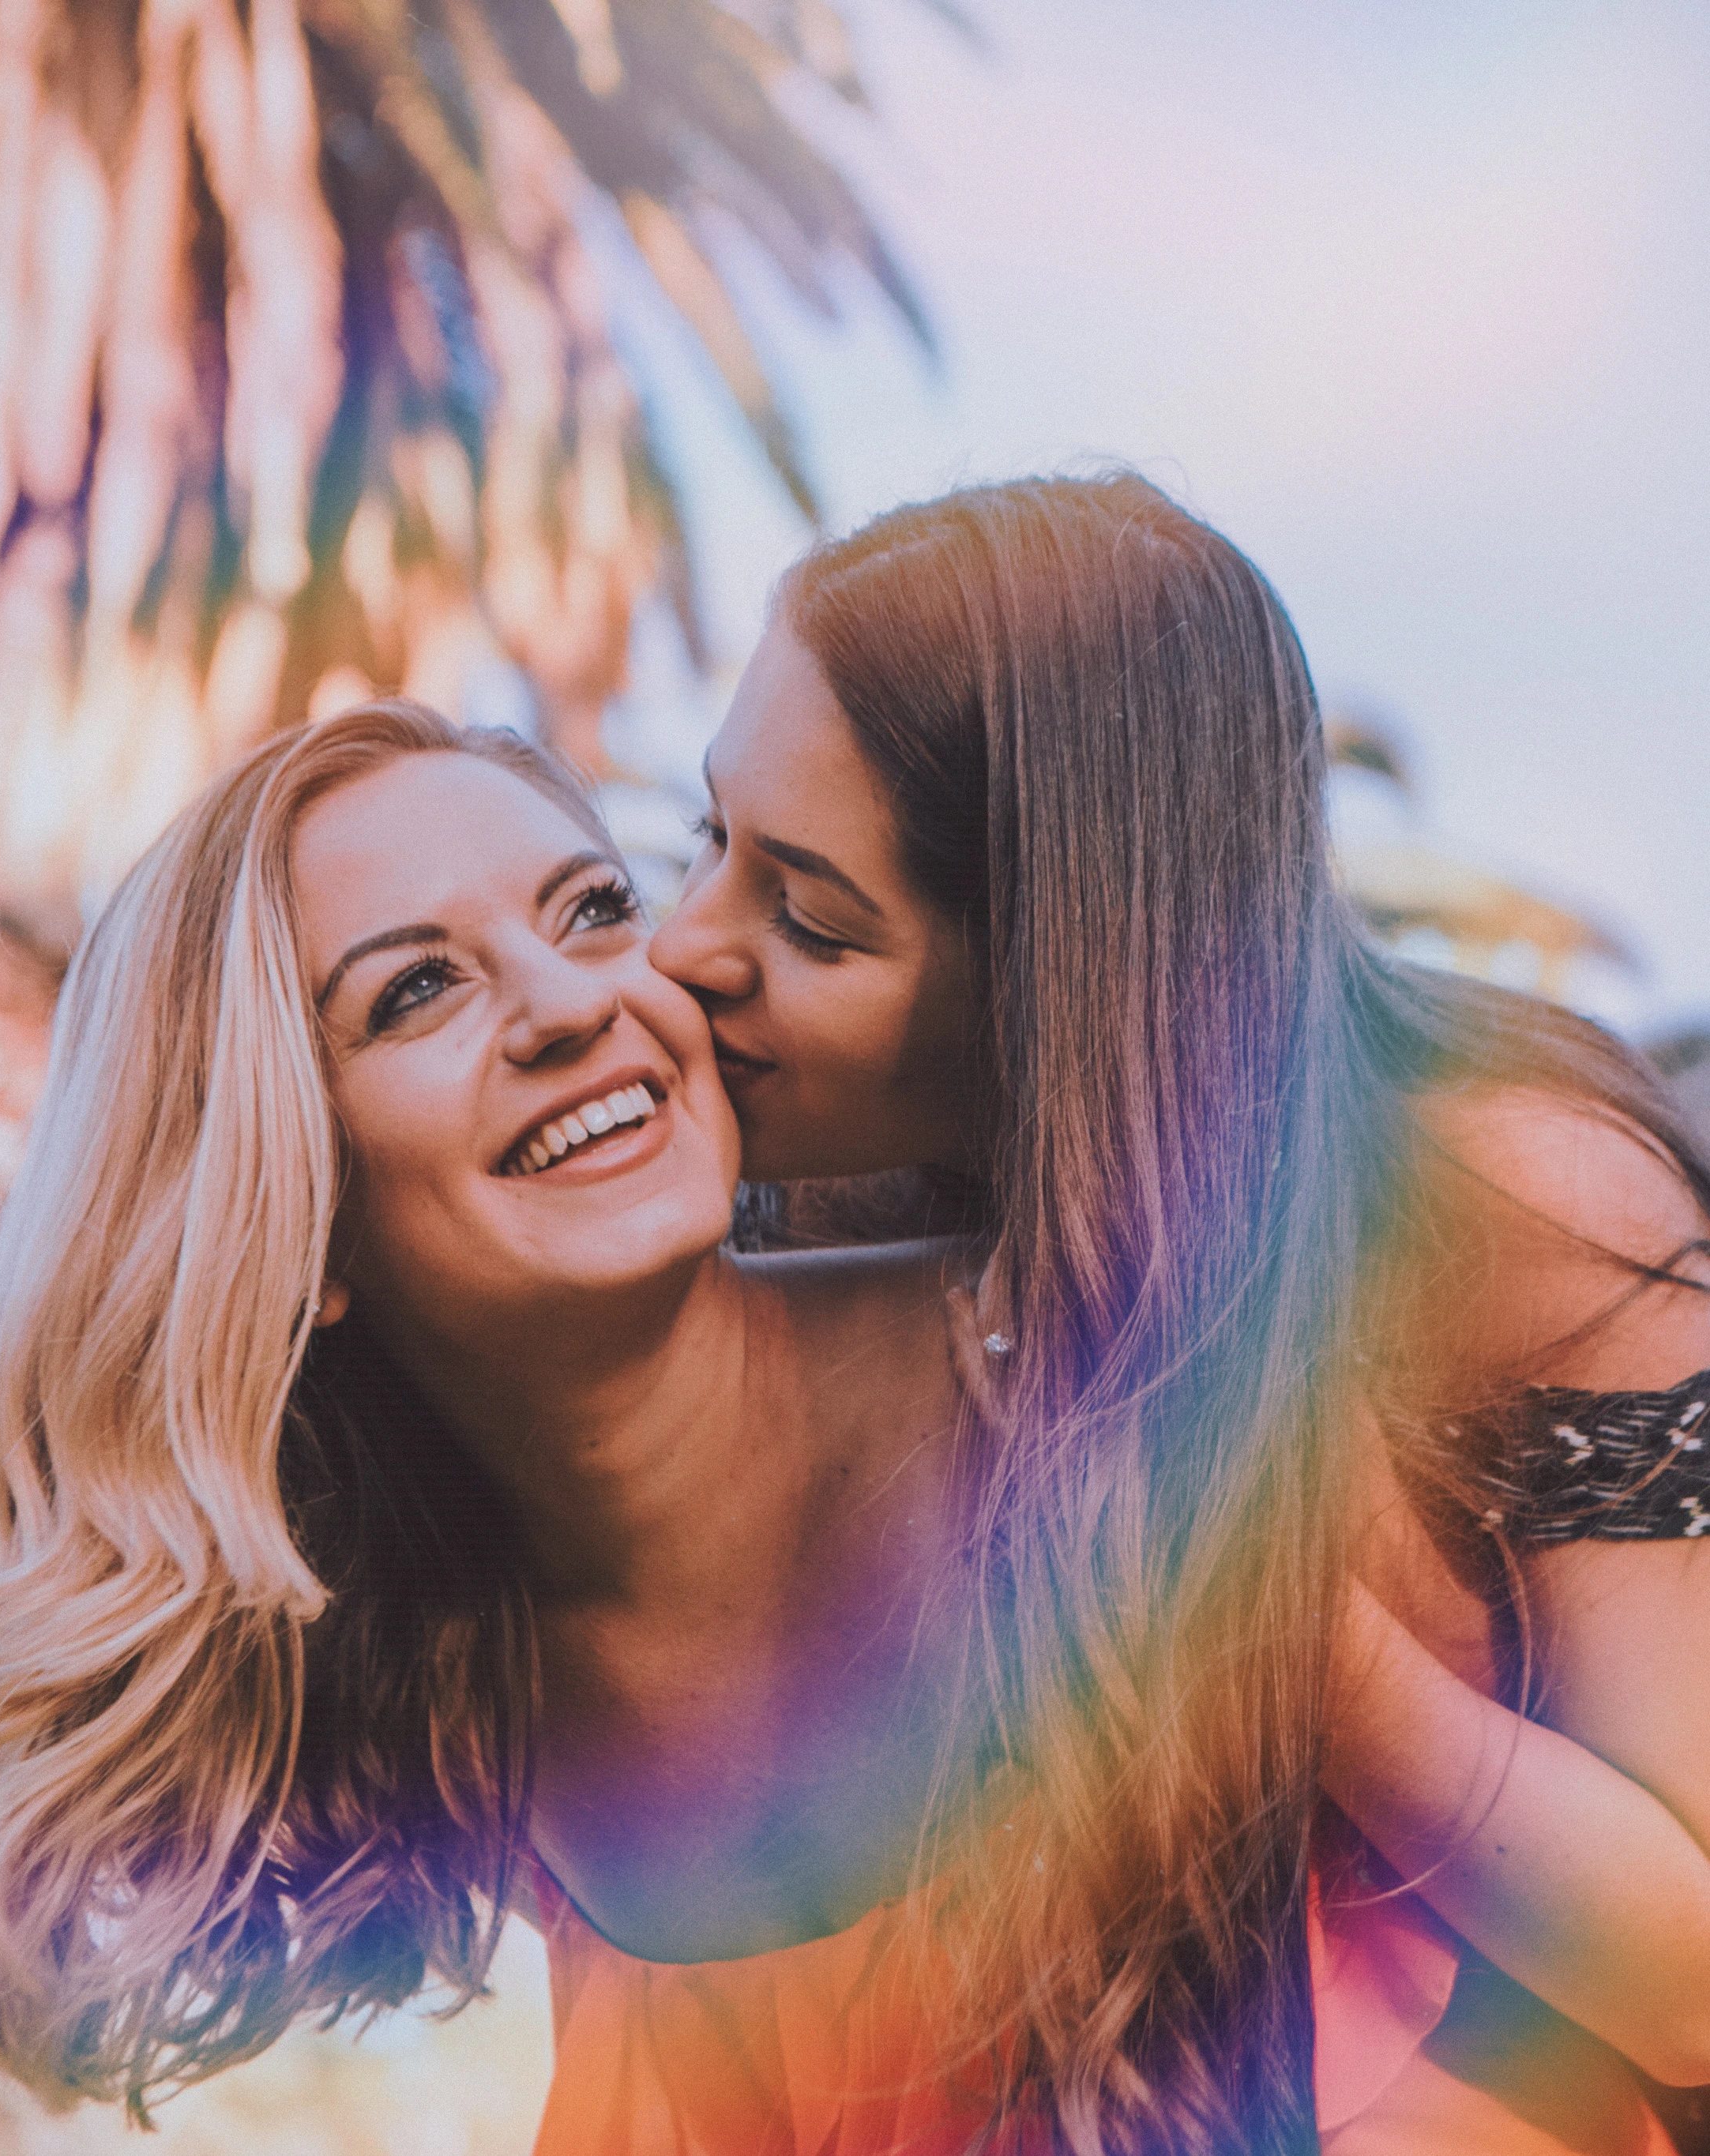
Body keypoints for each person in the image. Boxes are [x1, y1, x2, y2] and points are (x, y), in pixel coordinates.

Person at [645, 472, 1710, 2151]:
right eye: (707, 840)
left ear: (1057, 982)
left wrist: (1291, 1628)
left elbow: (1692, 1980)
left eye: (811, 920)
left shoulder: (1514, 1202)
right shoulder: (816, 1224)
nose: (682, 950)